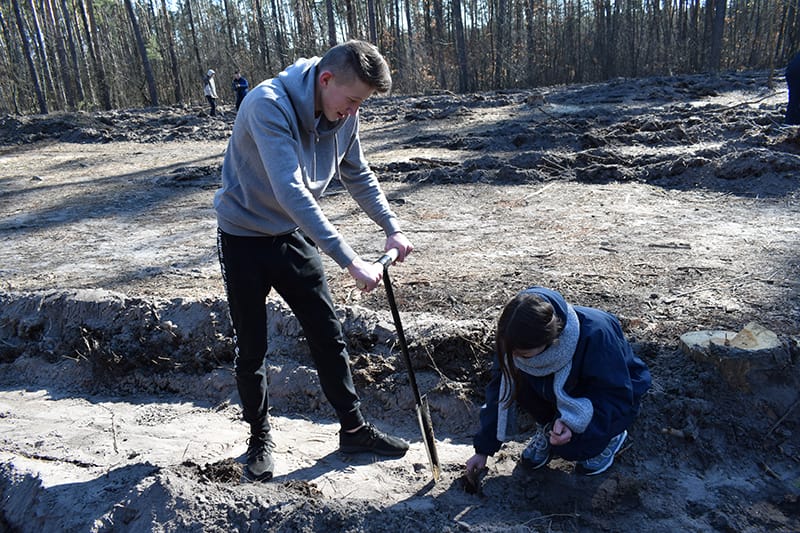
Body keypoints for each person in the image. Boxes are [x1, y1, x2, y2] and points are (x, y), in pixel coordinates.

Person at [214, 40, 414, 482]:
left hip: (290, 236)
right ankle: (259, 438)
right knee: (252, 349)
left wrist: (391, 226)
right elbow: (290, 192)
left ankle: (354, 429)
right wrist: (349, 260)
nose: (354, 111)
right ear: (326, 80)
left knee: (328, 332)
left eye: (361, 103)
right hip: (243, 237)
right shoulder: (267, 104)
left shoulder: (344, 112)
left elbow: (356, 172)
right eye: (353, 101)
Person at [466, 286, 651, 478]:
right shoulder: (511, 338)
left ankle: (614, 435)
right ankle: (549, 427)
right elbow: (499, 392)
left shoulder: (596, 334)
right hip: (558, 390)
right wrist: (483, 449)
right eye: (511, 352)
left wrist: (573, 424)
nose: (514, 357)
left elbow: (615, 395)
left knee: (572, 449)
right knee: (516, 376)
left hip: (613, 393)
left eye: (523, 354)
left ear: (550, 341)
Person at [785, 52, 800, 125]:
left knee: (794, 99)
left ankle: (789, 123)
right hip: (796, 72)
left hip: (792, 70)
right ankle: (792, 124)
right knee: (795, 100)